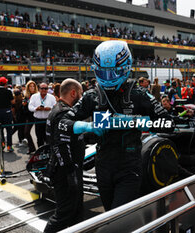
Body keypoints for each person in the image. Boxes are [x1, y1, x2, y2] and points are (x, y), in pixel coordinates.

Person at [68, 40, 174, 211]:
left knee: (119, 218)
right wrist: (86, 127)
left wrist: (134, 121)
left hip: (129, 166)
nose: (108, 79)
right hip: (102, 165)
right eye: (103, 72)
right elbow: (64, 121)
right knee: (110, 214)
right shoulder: (92, 95)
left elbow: (169, 123)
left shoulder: (138, 94)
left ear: (126, 68)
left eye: (114, 73)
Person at [44, 79, 85, 233]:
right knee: (64, 213)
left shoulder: (58, 108)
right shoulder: (63, 112)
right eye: (80, 94)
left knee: (76, 212)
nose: (81, 97)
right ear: (73, 93)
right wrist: (70, 172)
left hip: (66, 168)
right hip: (65, 171)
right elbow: (60, 144)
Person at [28, 83, 56, 147]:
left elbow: (56, 107)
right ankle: (40, 153)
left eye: (45, 88)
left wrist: (50, 109)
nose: (44, 90)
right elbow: (30, 107)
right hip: (38, 120)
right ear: (39, 89)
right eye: (42, 88)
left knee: (48, 138)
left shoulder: (51, 97)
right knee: (39, 138)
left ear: (48, 89)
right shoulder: (34, 96)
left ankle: (49, 153)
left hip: (48, 120)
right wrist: (36, 108)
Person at [0, 77, 15, 152]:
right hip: (7, 111)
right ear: (5, 83)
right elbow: (12, 102)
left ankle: (2, 144)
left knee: (0, 129)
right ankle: (9, 146)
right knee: (9, 129)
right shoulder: (8, 91)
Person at [22, 81, 38, 154]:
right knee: (26, 132)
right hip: (29, 116)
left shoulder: (38, 95)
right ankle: (32, 148)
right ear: (28, 88)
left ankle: (42, 148)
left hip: (37, 115)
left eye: (33, 86)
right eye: (30, 86)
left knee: (39, 134)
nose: (32, 88)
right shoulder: (26, 96)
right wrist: (24, 104)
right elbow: (24, 106)